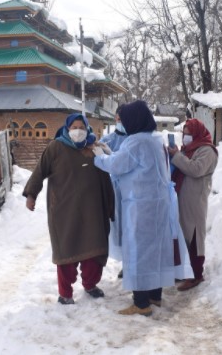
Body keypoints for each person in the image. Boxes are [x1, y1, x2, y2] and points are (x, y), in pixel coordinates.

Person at [93, 100, 193, 316]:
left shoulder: (135, 142)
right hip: (159, 205)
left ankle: (141, 303)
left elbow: (116, 165)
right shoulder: (155, 139)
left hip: (140, 207)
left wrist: (98, 155)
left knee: (138, 252)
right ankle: (155, 296)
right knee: (156, 251)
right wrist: (109, 152)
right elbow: (129, 161)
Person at [23, 113, 115, 305]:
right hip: (64, 210)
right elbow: (40, 171)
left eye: (81, 127)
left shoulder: (94, 148)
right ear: (67, 129)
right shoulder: (55, 147)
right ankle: (65, 293)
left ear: (88, 128)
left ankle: (90, 284)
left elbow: (106, 179)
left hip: (93, 211)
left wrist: (110, 206)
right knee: (67, 251)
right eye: (74, 127)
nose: (78, 131)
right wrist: (31, 194)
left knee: (94, 250)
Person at [167, 118, 218, 291]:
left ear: (197, 133)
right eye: (184, 133)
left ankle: (196, 275)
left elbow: (196, 169)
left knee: (194, 237)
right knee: (182, 235)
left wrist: (177, 156)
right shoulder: (188, 149)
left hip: (195, 201)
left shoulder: (207, 150)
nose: (186, 137)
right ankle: (183, 271)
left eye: (189, 134)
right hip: (182, 199)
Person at [99, 105, 128, 275]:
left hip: (133, 189)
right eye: (118, 118)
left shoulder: (135, 140)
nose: (120, 121)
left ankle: (131, 262)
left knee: (132, 225)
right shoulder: (107, 140)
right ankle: (125, 261)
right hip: (115, 190)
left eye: (124, 118)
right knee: (118, 226)